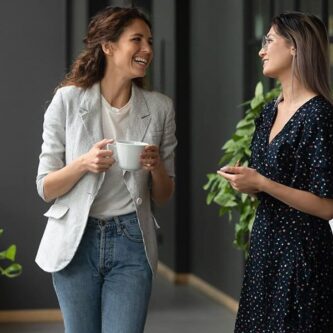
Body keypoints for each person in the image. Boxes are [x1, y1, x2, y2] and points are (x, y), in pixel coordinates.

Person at [35, 7, 176, 333]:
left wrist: (155, 168)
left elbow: (165, 195)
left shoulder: (159, 108)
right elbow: (45, 187)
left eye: (150, 42)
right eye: (136, 40)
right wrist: (84, 163)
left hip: (132, 241)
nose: (147, 50)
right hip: (76, 240)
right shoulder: (67, 101)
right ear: (108, 46)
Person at [218, 12, 333, 332]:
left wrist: (264, 183)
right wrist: (248, 183)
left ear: (295, 46)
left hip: (303, 257)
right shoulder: (269, 111)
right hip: (265, 249)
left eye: (269, 41)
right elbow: (263, 181)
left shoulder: (320, 115)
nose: (261, 50)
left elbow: (327, 207)